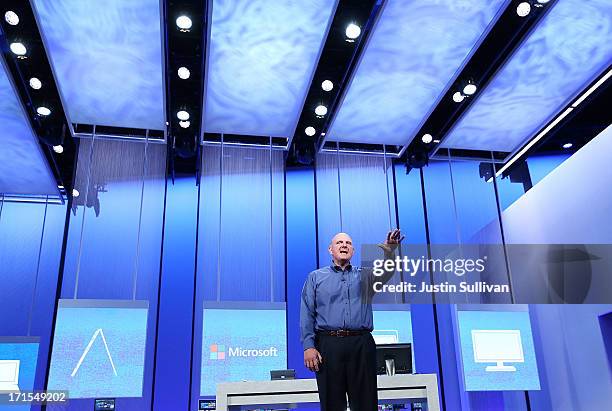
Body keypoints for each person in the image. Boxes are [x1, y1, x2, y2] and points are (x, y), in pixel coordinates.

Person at [300, 229, 404, 411]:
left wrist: (390, 252)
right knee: (332, 404)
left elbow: (386, 273)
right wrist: (309, 346)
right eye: (339, 243)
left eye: (348, 243)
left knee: (366, 403)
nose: (344, 245)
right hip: (328, 345)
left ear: (353, 251)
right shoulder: (315, 277)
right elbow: (307, 312)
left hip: (361, 344)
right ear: (330, 250)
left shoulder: (366, 276)